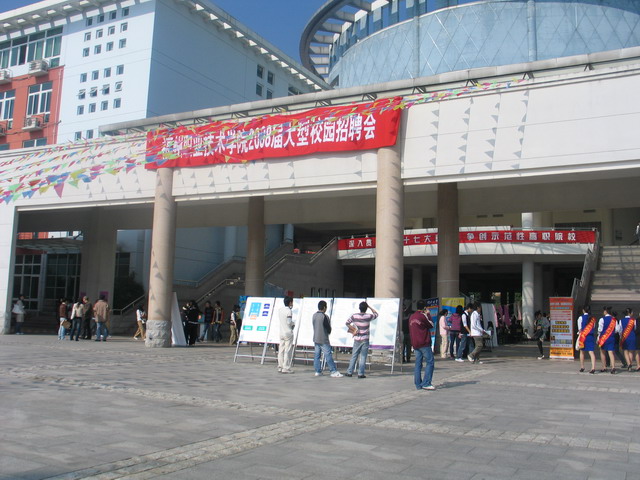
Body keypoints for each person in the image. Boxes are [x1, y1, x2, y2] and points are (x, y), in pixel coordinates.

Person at [345, 301, 378, 378]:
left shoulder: (354, 316)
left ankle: (349, 372)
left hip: (357, 338)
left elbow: (347, 323)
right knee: (363, 357)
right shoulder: (368, 316)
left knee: (354, 355)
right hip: (365, 339)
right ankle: (360, 373)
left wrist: (354, 329)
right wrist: (369, 307)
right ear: (366, 308)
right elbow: (376, 314)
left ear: (359, 308)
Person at [312, 300, 343, 377]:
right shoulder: (324, 316)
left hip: (316, 338)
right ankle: (333, 371)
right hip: (323, 339)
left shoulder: (314, 315)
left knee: (317, 355)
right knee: (328, 355)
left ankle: (318, 371)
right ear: (324, 307)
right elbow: (328, 328)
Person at [410, 300, 435, 390]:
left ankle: (418, 384)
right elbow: (431, 325)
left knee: (418, 363)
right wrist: (428, 314)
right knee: (430, 362)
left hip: (415, 343)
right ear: (424, 307)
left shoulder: (412, 316)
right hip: (424, 342)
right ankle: (426, 383)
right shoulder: (422, 316)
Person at [576, 305, 596, 373]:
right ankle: (593, 368)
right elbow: (594, 327)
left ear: (583, 310)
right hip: (590, 336)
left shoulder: (580, 318)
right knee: (591, 352)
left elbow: (580, 329)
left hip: (583, 337)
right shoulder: (593, 318)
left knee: (582, 352)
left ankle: (582, 367)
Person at [598, 306, 618, 373]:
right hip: (611, 337)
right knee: (611, 352)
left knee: (602, 352)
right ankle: (613, 367)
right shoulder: (614, 320)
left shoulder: (602, 319)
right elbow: (617, 330)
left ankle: (604, 367)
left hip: (603, 338)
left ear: (605, 312)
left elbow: (600, 329)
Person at [278, 296, 295, 373]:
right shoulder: (289, 311)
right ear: (290, 302)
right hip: (288, 332)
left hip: (281, 332)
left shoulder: (280, 310)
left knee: (281, 350)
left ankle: (280, 366)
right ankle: (286, 367)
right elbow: (289, 322)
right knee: (287, 350)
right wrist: (293, 324)